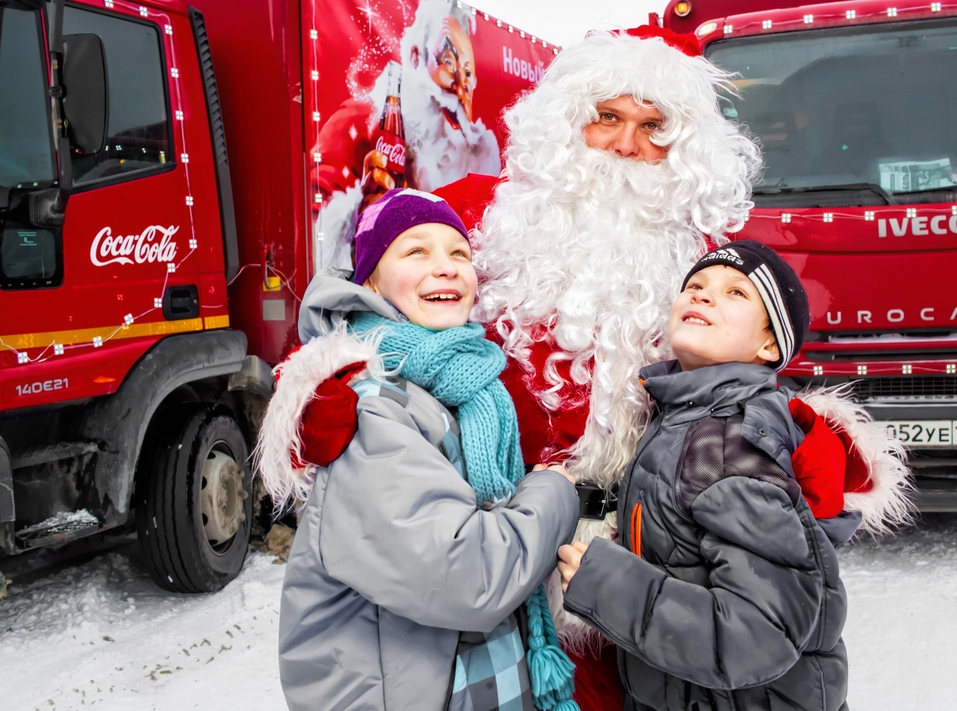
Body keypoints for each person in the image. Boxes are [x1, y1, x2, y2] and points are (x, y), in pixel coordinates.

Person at [436, 24, 911, 710]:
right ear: (566, 122)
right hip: (498, 557)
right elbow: (380, 314)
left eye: (652, 127)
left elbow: (741, 383)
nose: (627, 144)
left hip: (648, 571)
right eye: (606, 118)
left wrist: (807, 437)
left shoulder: (704, 261)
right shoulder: (475, 215)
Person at [256, 188, 581, 711]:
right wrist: (554, 492)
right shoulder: (369, 405)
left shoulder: (467, 384)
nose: (447, 268)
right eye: (416, 251)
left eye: (459, 253)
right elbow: (468, 577)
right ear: (372, 282)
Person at [558, 241, 908, 711]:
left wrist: (606, 582)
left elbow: (759, 635)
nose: (703, 296)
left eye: (736, 293)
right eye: (696, 286)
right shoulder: (684, 418)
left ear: (769, 344)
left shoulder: (728, 443)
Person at [316, 0, 501, 271]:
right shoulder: (359, 122)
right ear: (415, 57)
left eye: (468, 73)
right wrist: (356, 218)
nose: (461, 87)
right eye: (448, 61)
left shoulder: (473, 163)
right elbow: (317, 238)